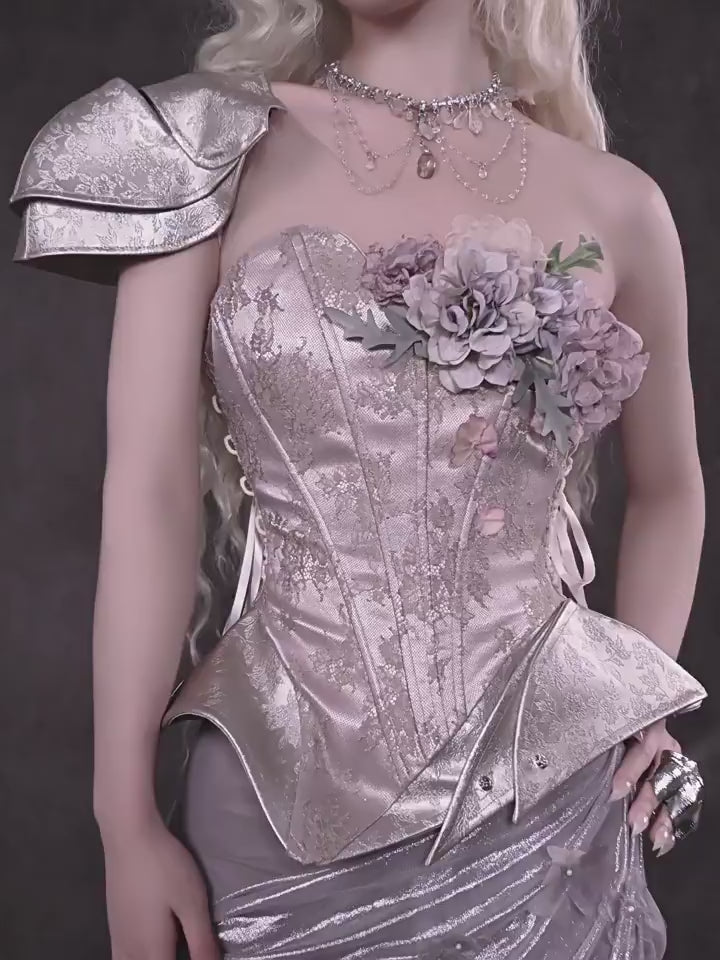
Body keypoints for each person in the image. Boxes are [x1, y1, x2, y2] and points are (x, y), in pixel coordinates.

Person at [9, 1, 708, 958]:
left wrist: (639, 706)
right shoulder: (205, 153)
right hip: (276, 801)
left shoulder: (619, 204)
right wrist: (122, 821)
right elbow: (148, 499)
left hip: (546, 800)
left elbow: (672, 489)